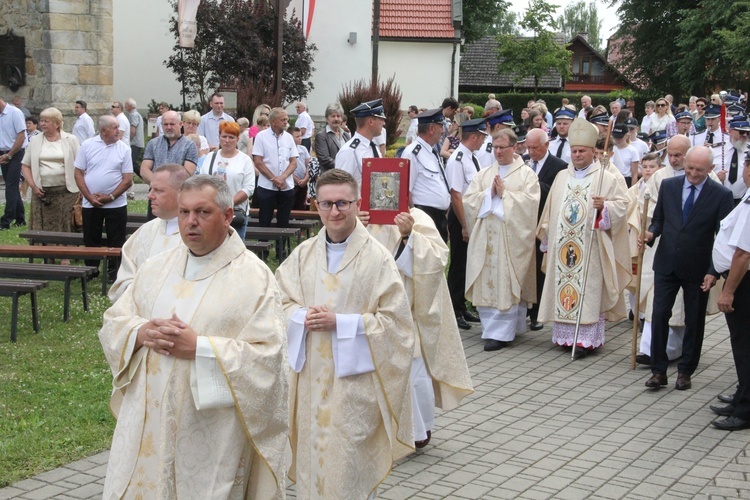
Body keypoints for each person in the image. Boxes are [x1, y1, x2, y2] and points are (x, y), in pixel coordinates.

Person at [98, 175, 288, 498]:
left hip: (209, 433)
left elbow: (269, 359)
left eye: (203, 212)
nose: (191, 222)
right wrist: (141, 332)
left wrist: (200, 347)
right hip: (149, 423)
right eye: (184, 212)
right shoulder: (156, 268)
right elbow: (115, 321)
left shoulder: (255, 280)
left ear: (228, 216)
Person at [275, 169, 415, 499]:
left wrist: (342, 322)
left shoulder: (378, 258)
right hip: (310, 382)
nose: (335, 212)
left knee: (347, 469)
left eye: (343, 203)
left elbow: (397, 326)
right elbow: (276, 302)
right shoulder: (302, 254)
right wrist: (299, 316)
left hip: (354, 386)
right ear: (316, 205)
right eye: (327, 204)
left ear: (358, 203)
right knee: (314, 468)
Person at [362, 205, 473, 448]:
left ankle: (417, 430)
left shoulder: (418, 217)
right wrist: (356, 227)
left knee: (413, 375)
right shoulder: (360, 219)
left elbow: (437, 260)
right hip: (369, 314)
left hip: (407, 312)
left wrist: (408, 236)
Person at [537, 118, 630, 358]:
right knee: (565, 289)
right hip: (563, 249)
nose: (577, 155)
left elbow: (623, 206)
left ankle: (585, 340)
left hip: (591, 247)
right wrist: (547, 237)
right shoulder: (561, 177)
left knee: (587, 291)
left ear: (593, 153)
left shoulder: (606, 178)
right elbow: (550, 209)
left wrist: (605, 207)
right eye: (574, 151)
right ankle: (565, 337)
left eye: (582, 151)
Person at [643, 146, 734, 391]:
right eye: (690, 168)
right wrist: (651, 234)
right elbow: (659, 220)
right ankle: (658, 371)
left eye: (699, 170)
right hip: (667, 263)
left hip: (698, 268)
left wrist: (714, 270)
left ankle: (685, 371)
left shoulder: (720, 195)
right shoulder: (669, 186)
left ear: (711, 169)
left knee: (694, 321)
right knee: (659, 315)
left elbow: (722, 237)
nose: (693, 174)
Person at [463, 128, 540, 351]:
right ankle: (492, 330)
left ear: (514, 147)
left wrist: (505, 194)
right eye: (494, 147)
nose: (497, 152)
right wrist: (490, 195)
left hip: (510, 238)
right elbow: (469, 201)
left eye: (502, 147)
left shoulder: (527, 175)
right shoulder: (485, 174)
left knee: (506, 281)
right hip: (486, 235)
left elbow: (530, 204)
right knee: (487, 280)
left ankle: (503, 333)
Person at [109, 163, 190, 302]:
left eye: (158, 190)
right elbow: (124, 279)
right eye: (150, 189)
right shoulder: (145, 231)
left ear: (181, 193)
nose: (149, 196)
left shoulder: (197, 235)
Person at [710, 160, 750, 430]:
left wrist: (728, 291)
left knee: (744, 346)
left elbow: (743, 253)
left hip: (743, 283)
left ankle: (746, 409)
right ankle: (742, 395)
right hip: (739, 280)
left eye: (746, 163)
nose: (744, 168)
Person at [74, 115, 133, 281]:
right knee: (91, 238)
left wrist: (111, 196)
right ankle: (91, 270)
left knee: (117, 239)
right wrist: (89, 197)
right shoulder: (87, 145)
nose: (118, 130)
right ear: (103, 130)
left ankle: (114, 273)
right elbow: (78, 173)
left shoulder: (124, 149)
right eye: (114, 127)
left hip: (116, 204)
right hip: (90, 204)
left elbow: (128, 180)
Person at [445, 118, 488, 330]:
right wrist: (464, 225)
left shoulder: (472, 158)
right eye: (481, 137)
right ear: (474, 136)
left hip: (471, 216)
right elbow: (456, 195)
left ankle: (462, 306)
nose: (483, 141)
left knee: (467, 263)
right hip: (460, 216)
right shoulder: (458, 159)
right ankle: (454, 308)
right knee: (459, 264)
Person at [525, 128, 568, 330]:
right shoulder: (523, 163)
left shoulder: (560, 167)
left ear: (546, 145)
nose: (531, 152)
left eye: (535, 148)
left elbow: (557, 194)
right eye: (528, 147)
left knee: (539, 269)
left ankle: (536, 314)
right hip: (522, 223)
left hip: (542, 224)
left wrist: (535, 185)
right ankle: (523, 308)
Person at [21, 107, 80, 233]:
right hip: (42, 193)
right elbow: (25, 165)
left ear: (57, 123)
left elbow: (81, 166)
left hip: (66, 193)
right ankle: (41, 250)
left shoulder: (71, 140)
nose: (42, 124)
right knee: (42, 227)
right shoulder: (35, 140)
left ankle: (65, 250)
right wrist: (33, 186)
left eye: (46, 121)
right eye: (41, 120)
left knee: (64, 225)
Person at [199, 121, 255, 240]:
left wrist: (228, 203)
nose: (227, 140)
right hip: (211, 210)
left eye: (231, 137)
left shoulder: (244, 160)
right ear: (219, 137)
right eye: (224, 136)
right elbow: (202, 182)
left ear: (237, 138)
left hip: (235, 211)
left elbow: (249, 188)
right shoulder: (210, 157)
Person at [402, 108, 452, 241]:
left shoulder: (431, 151)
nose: (443, 131)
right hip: (424, 217)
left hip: (439, 217)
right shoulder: (412, 152)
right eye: (440, 126)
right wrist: (416, 220)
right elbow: (406, 191)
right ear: (431, 129)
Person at [252, 107, 298, 228]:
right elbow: (258, 161)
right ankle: (263, 246)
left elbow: (293, 162)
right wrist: (274, 179)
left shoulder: (289, 138)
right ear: (273, 121)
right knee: (265, 220)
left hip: (286, 186)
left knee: (284, 221)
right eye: (282, 120)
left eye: (286, 120)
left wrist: (282, 177)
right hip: (267, 185)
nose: (286, 122)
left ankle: (281, 247)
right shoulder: (261, 137)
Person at [335, 98, 386, 189]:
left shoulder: (374, 148)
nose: (384, 123)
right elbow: (340, 187)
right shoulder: (349, 151)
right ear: (370, 121)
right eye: (381, 119)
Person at [141, 110, 199, 185]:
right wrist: (158, 184)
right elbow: (144, 170)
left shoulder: (190, 146)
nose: (168, 127)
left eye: (172, 124)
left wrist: (168, 187)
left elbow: (188, 173)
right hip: (156, 191)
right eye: (165, 124)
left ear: (181, 124)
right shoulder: (153, 143)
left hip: (179, 192)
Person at [0, 96, 28, 230]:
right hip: (3, 152)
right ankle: (20, 218)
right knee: (11, 185)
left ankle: (6, 220)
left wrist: (9, 155)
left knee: (10, 186)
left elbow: (21, 136)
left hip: (16, 153)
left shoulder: (14, 113)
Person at [716, 116, 749, 205]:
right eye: (741, 132)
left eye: (747, 133)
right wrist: (716, 177)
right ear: (730, 131)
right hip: (720, 199)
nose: (745, 135)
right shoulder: (716, 149)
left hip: (743, 200)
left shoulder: (748, 152)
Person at [691, 103, 731, 172]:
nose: (710, 122)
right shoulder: (695, 137)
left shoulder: (727, 138)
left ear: (719, 119)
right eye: (708, 119)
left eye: (713, 119)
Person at [314, 103, 350, 174]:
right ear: (327, 119)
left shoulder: (346, 135)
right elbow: (324, 159)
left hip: (345, 176)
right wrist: (343, 166)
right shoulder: (321, 136)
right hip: (330, 177)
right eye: (333, 116)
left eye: (338, 116)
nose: (336, 119)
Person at [290, 126, 310, 210]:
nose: (300, 138)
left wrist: (306, 178)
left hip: (303, 183)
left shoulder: (303, 149)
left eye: (301, 136)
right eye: (297, 136)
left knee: (301, 205)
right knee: (292, 204)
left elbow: (308, 165)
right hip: (292, 184)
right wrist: (297, 180)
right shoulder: (288, 150)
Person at [124, 98, 144, 178]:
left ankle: (148, 178)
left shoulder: (133, 115)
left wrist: (128, 140)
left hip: (134, 143)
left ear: (130, 106)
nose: (125, 107)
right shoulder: (135, 114)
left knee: (131, 163)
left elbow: (132, 130)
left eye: (126, 105)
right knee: (132, 163)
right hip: (136, 142)